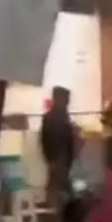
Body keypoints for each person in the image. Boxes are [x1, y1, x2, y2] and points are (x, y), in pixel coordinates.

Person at [40, 86, 78, 215]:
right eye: (66, 99)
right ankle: (61, 208)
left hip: (60, 156)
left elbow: (44, 139)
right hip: (59, 155)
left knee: (57, 182)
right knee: (61, 183)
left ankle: (52, 206)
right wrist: (51, 157)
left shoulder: (56, 116)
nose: (68, 102)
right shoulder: (56, 118)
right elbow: (48, 139)